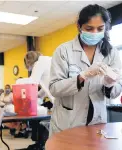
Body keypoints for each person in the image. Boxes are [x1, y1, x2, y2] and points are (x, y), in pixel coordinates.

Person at [49, 4, 122, 137]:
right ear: (79, 26)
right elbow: (54, 88)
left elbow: (115, 92)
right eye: (89, 28)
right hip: (67, 124)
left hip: (97, 123)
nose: (95, 33)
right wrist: (81, 77)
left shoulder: (111, 53)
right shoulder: (64, 51)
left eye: (100, 29)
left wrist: (110, 84)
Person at [18, 51, 53, 149]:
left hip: (59, 100)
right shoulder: (49, 60)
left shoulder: (39, 63)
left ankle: (42, 145)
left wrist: (19, 83)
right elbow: (47, 86)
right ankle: (41, 144)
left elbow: (32, 83)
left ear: (28, 62)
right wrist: (38, 96)